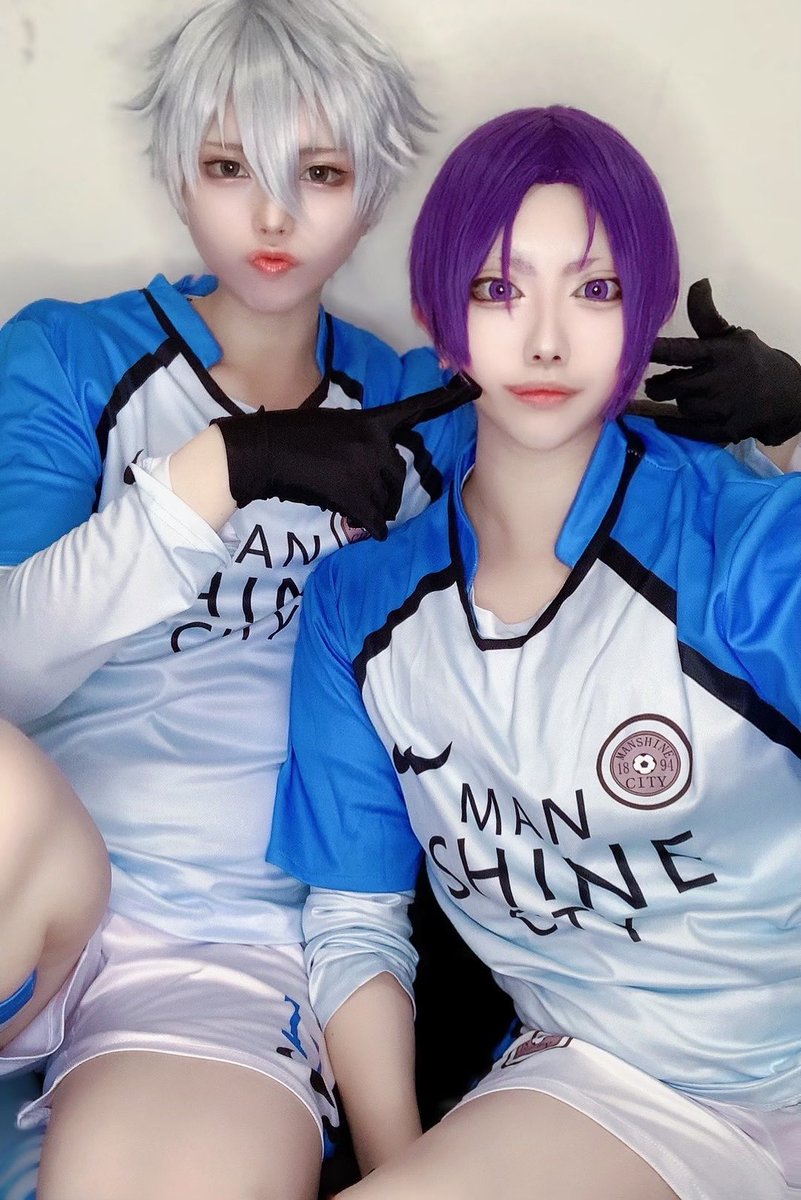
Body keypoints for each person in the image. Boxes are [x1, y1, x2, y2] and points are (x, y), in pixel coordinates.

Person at [0, 0, 797, 1194]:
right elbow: (7, 670)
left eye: (318, 173)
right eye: (228, 167)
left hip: (225, 960)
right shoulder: (69, 361)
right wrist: (221, 473)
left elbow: (574, 418)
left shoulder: (423, 405)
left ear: (372, 194)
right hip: (49, 875)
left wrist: (785, 417)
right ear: (176, 172)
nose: (273, 216)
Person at [268, 105, 801, 1199]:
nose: (547, 339)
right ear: (438, 315)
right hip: (608, 1096)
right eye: (498, 289)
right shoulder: (356, 611)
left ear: (646, 309)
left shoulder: (743, 542)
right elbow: (355, 920)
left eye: (595, 289)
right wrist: (406, 1168)